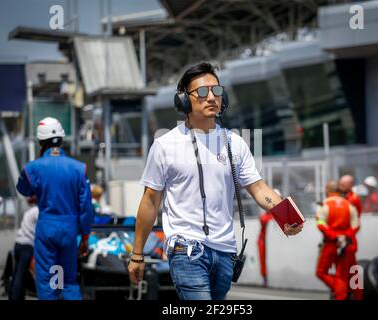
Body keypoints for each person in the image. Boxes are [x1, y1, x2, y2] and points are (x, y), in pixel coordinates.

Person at [128, 62, 303, 300]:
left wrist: (286, 215)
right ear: (184, 101)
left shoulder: (235, 143)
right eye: (201, 92)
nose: (211, 97)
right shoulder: (164, 145)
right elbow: (150, 202)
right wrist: (137, 254)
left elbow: (258, 187)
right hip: (186, 249)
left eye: (217, 91)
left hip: (225, 253)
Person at [16, 117, 93, 300]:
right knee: (68, 281)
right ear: (62, 139)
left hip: (47, 229)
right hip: (69, 230)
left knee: (49, 282)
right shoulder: (79, 168)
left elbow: (23, 189)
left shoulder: (33, 168)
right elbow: (86, 206)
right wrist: (85, 236)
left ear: (41, 142)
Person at [315, 180, 359, 300]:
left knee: (321, 272)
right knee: (346, 274)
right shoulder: (349, 204)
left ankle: (341, 291)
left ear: (328, 190)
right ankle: (349, 293)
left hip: (331, 243)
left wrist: (334, 237)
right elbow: (355, 225)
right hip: (346, 244)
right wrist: (345, 237)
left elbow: (320, 224)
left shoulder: (323, 204)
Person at [9, 196, 39, 300]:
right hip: (27, 245)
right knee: (21, 274)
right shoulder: (38, 211)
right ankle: (16, 297)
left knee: (17, 272)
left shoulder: (29, 211)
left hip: (18, 243)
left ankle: (13, 295)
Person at [338, 174, 362, 299]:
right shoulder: (342, 196)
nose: (340, 186)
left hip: (348, 240)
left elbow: (356, 223)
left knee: (351, 271)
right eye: (340, 183)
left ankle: (353, 295)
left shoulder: (353, 199)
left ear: (350, 185)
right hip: (344, 240)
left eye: (343, 184)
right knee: (351, 270)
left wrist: (346, 236)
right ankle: (352, 294)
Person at [257, 188, 281, 287]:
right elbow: (263, 219)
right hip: (262, 240)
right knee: (263, 260)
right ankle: (265, 278)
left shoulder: (276, 212)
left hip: (268, 241)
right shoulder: (267, 213)